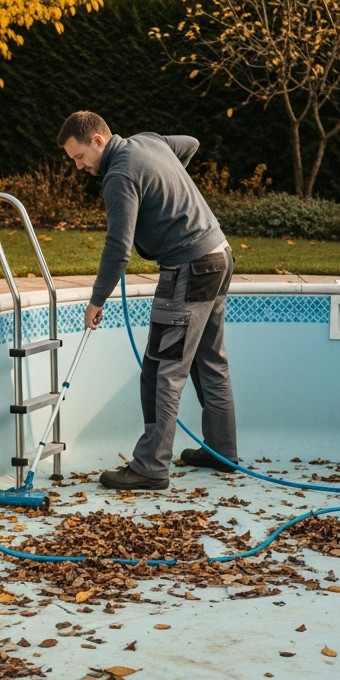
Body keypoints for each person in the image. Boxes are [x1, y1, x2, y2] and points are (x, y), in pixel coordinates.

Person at [57, 110, 239, 490]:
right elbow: (190, 145)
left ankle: (151, 466)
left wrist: (97, 299)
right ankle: (222, 451)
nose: (78, 167)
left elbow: (118, 248)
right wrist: (163, 187)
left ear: (98, 141)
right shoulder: (150, 141)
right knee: (209, 360)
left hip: (189, 267)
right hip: (219, 253)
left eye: (79, 157)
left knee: (161, 369)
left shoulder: (120, 175)